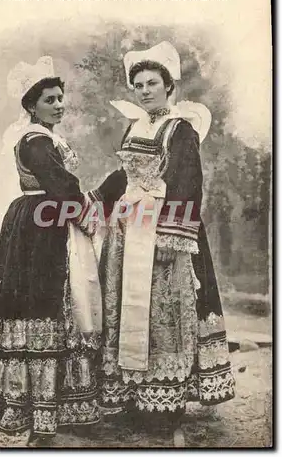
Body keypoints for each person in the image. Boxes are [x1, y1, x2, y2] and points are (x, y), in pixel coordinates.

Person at [95, 42, 236, 446]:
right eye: (137, 84)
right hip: (130, 231)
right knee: (130, 310)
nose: (143, 91)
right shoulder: (136, 126)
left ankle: (166, 406)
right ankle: (136, 399)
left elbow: (189, 182)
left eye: (151, 83)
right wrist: (98, 199)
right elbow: (124, 174)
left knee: (166, 312)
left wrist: (170, 236)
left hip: (165, 233)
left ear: (169, 85)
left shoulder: (180, 128)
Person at [0, 56, 104, 444]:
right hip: (39, 229)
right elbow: (63, 189)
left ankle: (58, 404)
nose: (60, 104)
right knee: (43, 305)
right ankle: (38, 414)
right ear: (32, 105)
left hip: (44, 222)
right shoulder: (35, 141)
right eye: (50, 99)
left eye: (62, 97)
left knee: (57, 306)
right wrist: (96, 198)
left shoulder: (45, 138)